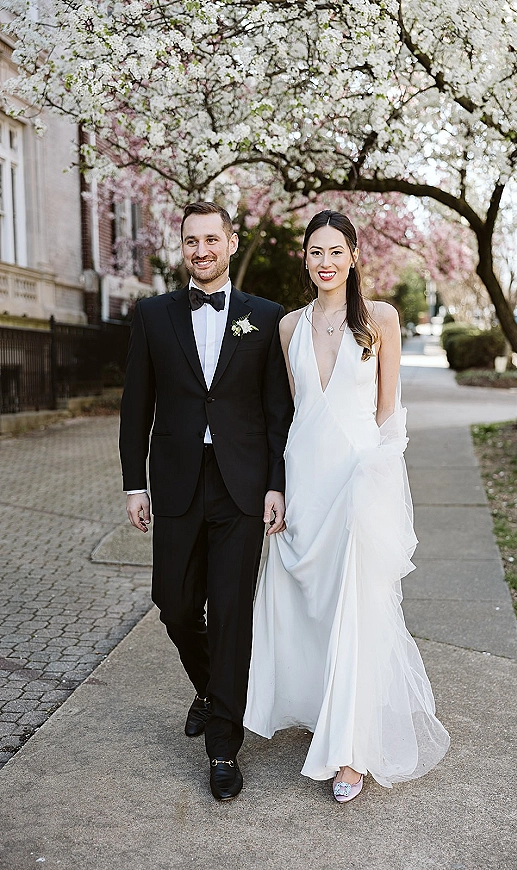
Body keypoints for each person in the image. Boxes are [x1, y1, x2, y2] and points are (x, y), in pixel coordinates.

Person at [244, 210, 450, 802]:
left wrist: (384, 483)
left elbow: (389, 414)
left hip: (360, 478)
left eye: (336, 251)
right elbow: (289, 417)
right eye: (315, 252)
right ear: (304, 260)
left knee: (356, 608)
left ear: (354, 255)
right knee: (309, 605)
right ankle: (317, 709)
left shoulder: (380, 319)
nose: (325, 261)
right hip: (307, 479)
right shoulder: (287, 328)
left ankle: (351, 751)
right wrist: (275, 486)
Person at [119, 202, 293, 801]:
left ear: (230, 242)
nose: (201, 249)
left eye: (211, 239)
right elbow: (136, 405)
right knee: (172, 602)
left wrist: (277, 482)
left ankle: (223, 749)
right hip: (175, 482)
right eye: (191, 240)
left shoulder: (263, 317)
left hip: (242, 486)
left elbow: (277, 411)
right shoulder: (152, 315)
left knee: (230, 615)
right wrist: (133, 483)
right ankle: (212, 690)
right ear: (183, 248)